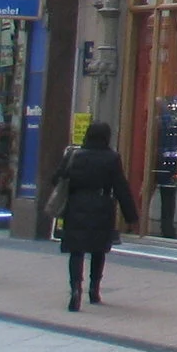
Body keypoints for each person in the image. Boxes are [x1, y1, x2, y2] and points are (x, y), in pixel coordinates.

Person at [53, 121, 139, 312]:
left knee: (76, 251)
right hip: (102, 207)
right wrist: (131, 216)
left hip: (76, 206)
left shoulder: (74, 155)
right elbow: (121, 187)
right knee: (98, 250)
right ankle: (94, 289)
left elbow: (56, 178)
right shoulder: (111, 158)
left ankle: (75, 289)